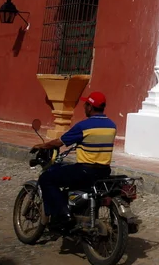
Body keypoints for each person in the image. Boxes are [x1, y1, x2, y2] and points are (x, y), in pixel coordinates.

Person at [32, 91, 117, 231]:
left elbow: (60, 142)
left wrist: (42, 145)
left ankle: (62, 215)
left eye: (86, 105)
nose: (84, 107)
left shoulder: (84, 126)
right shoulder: (112, 126)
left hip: (85, 171)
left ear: (90, 107)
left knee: (46, 178)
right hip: (104, 171)